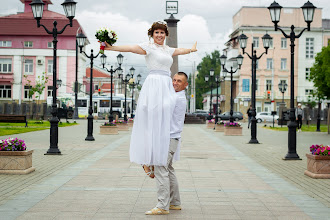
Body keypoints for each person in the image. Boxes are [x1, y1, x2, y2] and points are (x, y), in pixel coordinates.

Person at [103, 23, 196, 166]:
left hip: (166, 83)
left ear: (166, 34)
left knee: (165, 115)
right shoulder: (148, 47)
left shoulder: (167, 50)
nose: (159, 35)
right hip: (154, 84)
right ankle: (146, 159)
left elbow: (179, 50)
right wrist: (112, 48)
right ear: (152, 34)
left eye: (162, 32)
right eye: (157, 32)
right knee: (151, 116)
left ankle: (159, 155)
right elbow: (131, 48)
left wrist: (190, 50)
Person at [145, 72, 188, 215]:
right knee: (168, 169)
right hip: (172, 138)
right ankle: (175, 202)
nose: (175, 83)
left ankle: (163, 205)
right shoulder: (175, 96)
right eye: (174, 80)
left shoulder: (176, 98)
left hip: (169, 139)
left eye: (179, 81)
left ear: (185, 85)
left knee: (161, 168)